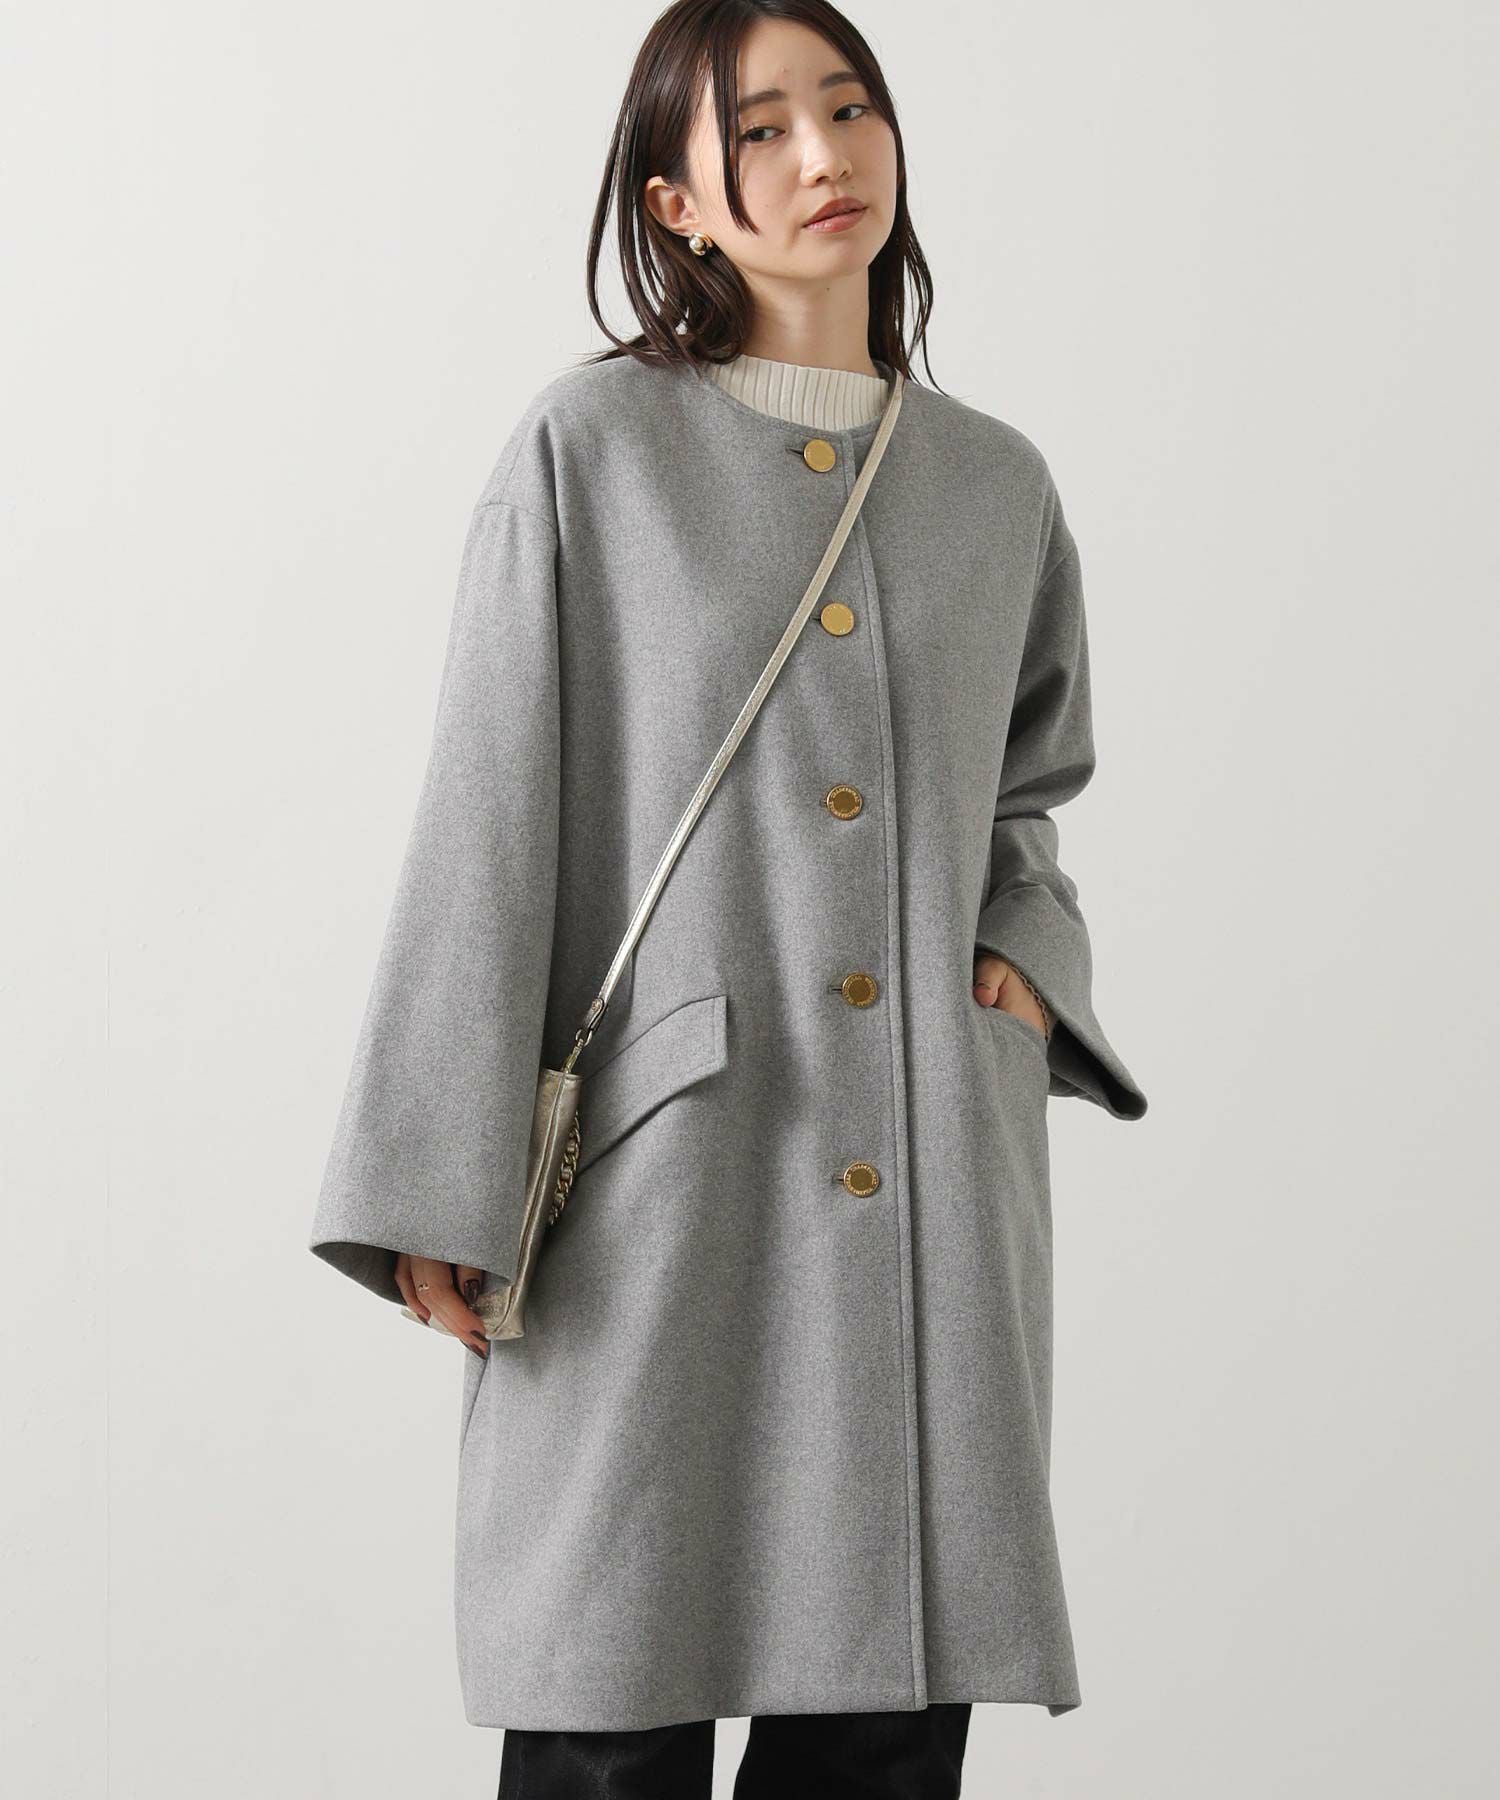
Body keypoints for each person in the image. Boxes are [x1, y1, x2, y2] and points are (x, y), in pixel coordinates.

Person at [308, 2, 1150, 1794]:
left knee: (885, 1728)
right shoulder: (589, 451)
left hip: (927, 1188)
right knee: (609, 1710)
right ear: (676, 201)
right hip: (660, 1184)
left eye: (850, 108)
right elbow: (490, 809)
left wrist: (1019, 964)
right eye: (760, 129)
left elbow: (1028, 792)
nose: (824, 156)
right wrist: (433, 1177)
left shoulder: (995, 484)